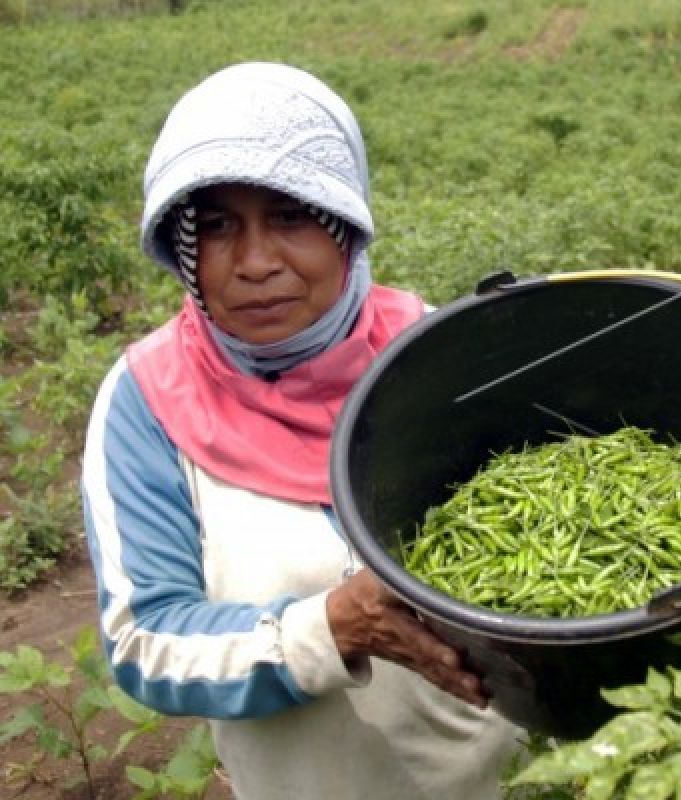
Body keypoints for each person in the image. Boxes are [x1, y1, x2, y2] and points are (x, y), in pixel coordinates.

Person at [81, 62, 523, 800]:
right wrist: (330, 628)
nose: (254, 263)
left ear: (345, 227)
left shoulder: (432, 355)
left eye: (290, 216)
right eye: (217, 226)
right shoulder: (149, 403)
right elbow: (143, 644)